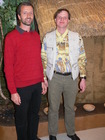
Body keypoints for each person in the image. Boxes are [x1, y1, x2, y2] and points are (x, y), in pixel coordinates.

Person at [41, 8, 87, 140]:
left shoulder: (76, 37)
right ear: (55, 20)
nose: (62, 19)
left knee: (69, 107)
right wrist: (43, 78)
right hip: (54, 77)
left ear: (69, 20)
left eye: (65, 17)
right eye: (59, 17)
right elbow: (43, 58)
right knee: (53, 108)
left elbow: (82, 58)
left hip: (71, 78)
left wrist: (82, 78)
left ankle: (71, 132)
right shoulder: (48, 37)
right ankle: (53, 134)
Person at [4, 2, 47, 140]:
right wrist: (13, 91)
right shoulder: (11, 37)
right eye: (25, 13)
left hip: (36, 85)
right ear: (18, 16)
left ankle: (32, 137)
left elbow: (38, 61)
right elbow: (8, 67)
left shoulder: (35, 36)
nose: (28, 16)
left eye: (30, 13)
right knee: (21, 120)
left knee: (34, 115)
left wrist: (42, 80)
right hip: (21, 88)